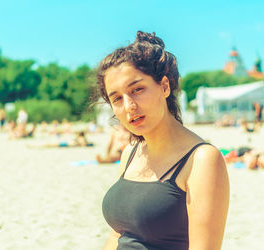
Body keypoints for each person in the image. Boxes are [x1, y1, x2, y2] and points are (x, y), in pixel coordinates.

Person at [97, 31, 229, 250]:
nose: (129, 106)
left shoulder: (201, 159)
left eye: (137, 89)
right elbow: (117, 234)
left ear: (164, 86)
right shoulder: (130, 152)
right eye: (117, 98)